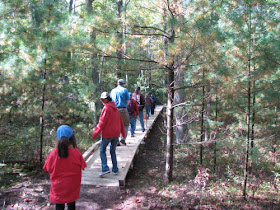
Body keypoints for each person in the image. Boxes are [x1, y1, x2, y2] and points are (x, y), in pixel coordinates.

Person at [43, 125, 87, 210]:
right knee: (71, 204)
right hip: (72, 187)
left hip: (58, 187)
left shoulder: (52, 154)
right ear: (72, 138)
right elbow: (83, 166)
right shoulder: (76, 153)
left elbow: (46, 168)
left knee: (59, 205)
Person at [92, 92, 125, 177]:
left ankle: (105, 169)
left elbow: (102, 122)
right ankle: (115, 169)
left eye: (103, 99)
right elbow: (120, 122)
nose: (102, 101)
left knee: (102, 151)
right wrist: (122, 133)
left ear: (107, 99)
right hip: (116, 134)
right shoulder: (115, 109)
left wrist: (95, 133)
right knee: (112, 151)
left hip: (107, 134)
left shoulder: (106, 108)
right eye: (101, 99)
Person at [110, 79, 130, 145]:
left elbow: (110, 101)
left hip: (114, 110)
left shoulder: (113, 91)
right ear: (123, 84)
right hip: (123, 109)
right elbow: (128, 101)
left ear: (117, 83)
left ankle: (116, 140)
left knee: (115, 125)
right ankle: (123, 139)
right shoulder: (125, 90)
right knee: (125, 124)